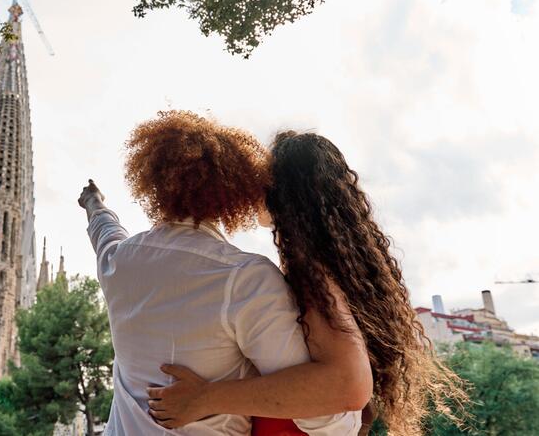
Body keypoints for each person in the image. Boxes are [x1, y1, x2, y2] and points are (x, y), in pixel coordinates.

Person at [146, 131, 468, 435]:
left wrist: (205, 398)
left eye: (264, 178)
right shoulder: (333, 270)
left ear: (281, 193)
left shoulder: (313, 278)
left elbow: (347, 385)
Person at [78, 111, 361, 435]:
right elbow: (323, 415)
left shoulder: (119, 262)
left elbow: (105, 231)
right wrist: (354, 419)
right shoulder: (246, 279)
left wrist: (93, 203)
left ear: (153, 183)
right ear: (233, 190)